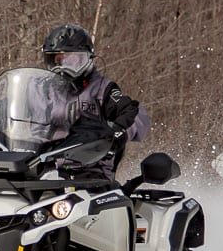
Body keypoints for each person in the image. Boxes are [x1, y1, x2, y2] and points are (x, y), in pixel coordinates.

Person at [40, 23, 150, 180]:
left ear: (87, 59)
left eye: (71, 61)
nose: (63, 68)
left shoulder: (102, 89)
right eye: (57, 62)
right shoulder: (44, 91)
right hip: (45, 169)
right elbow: (22, 122)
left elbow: (136, 114)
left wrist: (116, 132)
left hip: (91, 172)